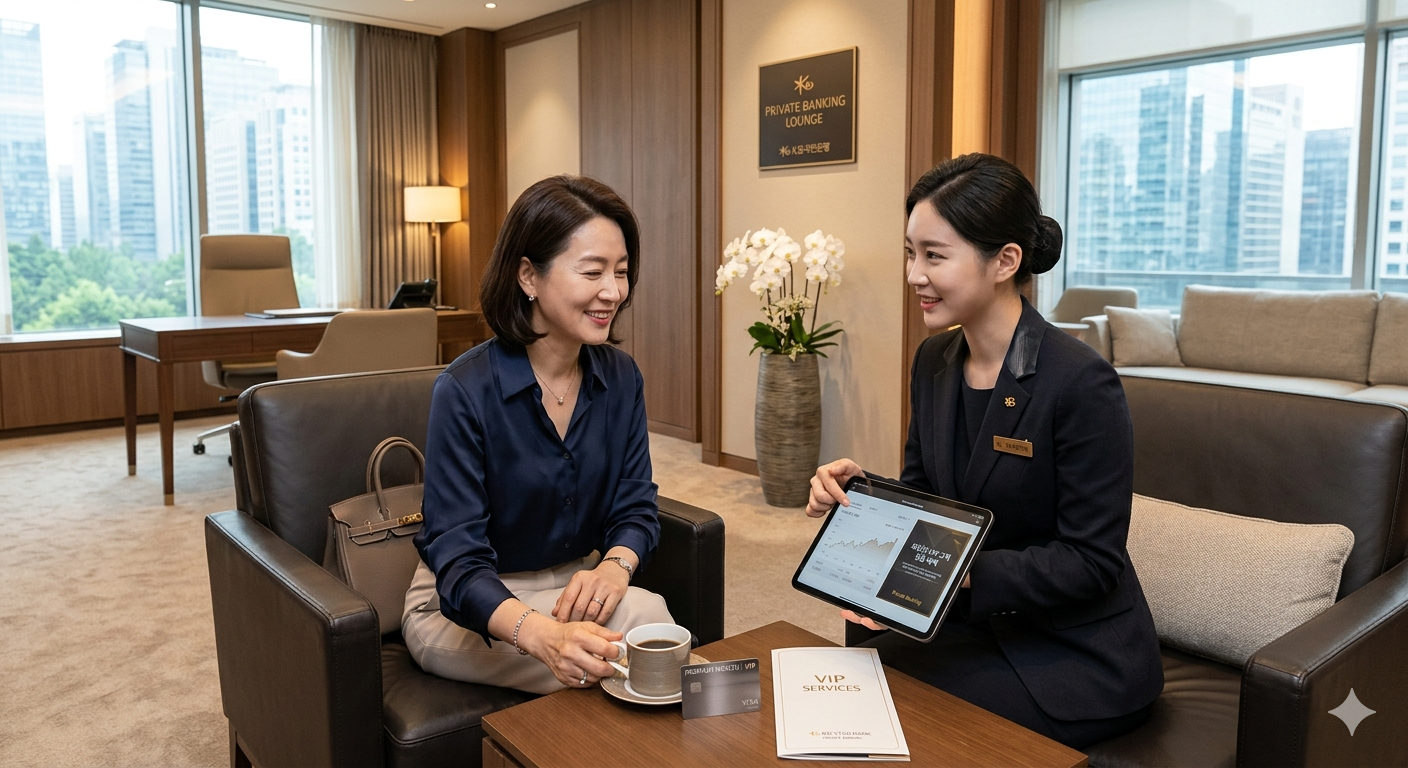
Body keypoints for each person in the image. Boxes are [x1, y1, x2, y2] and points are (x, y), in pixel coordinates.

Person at [806, 154, 1163, 748]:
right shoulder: (934, 361)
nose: (914, 274)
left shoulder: (1080, 383)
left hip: (1070, 654)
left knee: (898, 720)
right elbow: (927, 495)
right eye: (910, 253)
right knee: (841, 697)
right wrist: (863, 492)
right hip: (967, 623)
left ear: (1005, 261)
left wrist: (954, 572)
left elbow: (1091, 561)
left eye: (934, 256)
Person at [404, 175, 673, 694]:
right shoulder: (464, 390)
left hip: (574, 587)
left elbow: (636, 505)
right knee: (613, 662)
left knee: (650, 626)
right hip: (468, 607)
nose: (613, 292)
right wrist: (545, 637)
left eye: (621, 272)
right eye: (592, 271)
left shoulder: (621, 378)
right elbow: (458, 563)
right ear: (529, 275)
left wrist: (614, 569)